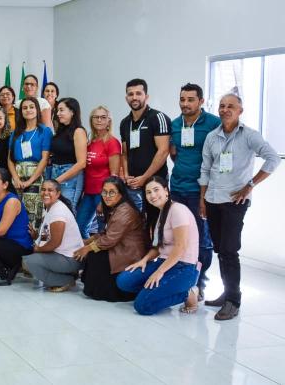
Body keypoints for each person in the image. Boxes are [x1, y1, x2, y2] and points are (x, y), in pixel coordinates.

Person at [199, 93, 280, 320]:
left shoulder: (249, 135)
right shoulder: (212, 137)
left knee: (229, 250)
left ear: (240, 111)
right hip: (213, 199)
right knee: (220, 250)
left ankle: (233, 301)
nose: (225, 110)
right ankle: (227, 293)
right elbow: (205, 169)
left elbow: (273, 158)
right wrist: (203, 200)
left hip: (235, 201)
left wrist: (250, 185)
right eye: (222, 106)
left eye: (230, 106)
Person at [117, 177, 201, 315]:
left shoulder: (178, 210)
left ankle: (188, 293)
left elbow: (180, 247)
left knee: (142, 306)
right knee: (124, 281)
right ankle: (154, 292)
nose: (152, 195)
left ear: (166, 191)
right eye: (148, 192)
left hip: (184, 267)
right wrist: (144, 260)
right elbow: (157, 247)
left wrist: (159, 272)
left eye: (156, 190)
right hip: (163, 262)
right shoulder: (162, 213)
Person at [169, 83, 221, 301]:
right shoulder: (175, 124)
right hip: (177, 188)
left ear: (201, 101)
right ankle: (180, 279)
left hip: (200, 191)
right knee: (177, 236)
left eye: (191, 99)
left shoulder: (213, 123)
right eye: (182, 99)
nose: (185, 104)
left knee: (201, 239)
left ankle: (199, 284)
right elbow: (174, 153)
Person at [73, 177, 148, 302]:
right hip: (120, 245)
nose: (107, 196)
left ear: (121, 193)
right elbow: (106, 232)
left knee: (94, 255)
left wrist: (87, 248)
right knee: (93, 253)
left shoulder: (125, 210)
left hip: (128, 252)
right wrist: (87, 241)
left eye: (112, 192)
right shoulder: (116, 207)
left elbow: (109, 239)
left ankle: (104, 292)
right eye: (104, 192)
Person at [119, 78, 172, 210]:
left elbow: (163, 151)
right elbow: (124, 153)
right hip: (133, 184)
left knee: (156, 218)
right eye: (130, 94)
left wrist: (145, 177)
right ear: (126, 98)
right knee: (134, 219)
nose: (134, 97)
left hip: (155, 182)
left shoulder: (158, 117)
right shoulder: (125, 123)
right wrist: (126, 175)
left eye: (138, 93)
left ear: (146, 96)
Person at [24, 180, 83, 292]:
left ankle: (66, 280)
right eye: (43, 189)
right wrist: (36, 236)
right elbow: (47, 235)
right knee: (34, 257)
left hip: (71, 259)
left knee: (29, 262)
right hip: (64, 256)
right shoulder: (51, 207)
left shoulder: (58, 212)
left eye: (50, 190)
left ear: (58, 193)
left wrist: (38, 249)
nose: (46, 193)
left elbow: (55, 242)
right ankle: (67, 275)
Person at [7, 97, 52, 231]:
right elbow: (10, 159)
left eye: (31, 107)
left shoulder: (45, 131)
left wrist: (30, 181)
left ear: (37, 110)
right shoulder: (16, 133)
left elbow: (44, 159)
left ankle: (32, 241)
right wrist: (15, 178)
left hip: (36, 178)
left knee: (32, 214)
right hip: (17, 177)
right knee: (15, 212)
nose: (28, 110)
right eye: (25, 108)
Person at [76, 106, 121, 238]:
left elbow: (114, 175)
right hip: (88, 193)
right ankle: (87, 251)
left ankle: (102, 252)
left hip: (103, 194)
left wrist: (105, 199)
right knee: (79, 227)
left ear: (109, 121)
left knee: (104, 230)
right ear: (91, 120)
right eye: (96, 117)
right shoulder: (90, 142)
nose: (99, 120)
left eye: (103, 117)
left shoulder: (112, 142)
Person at [49, 98, 87, 209]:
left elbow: (81, 163)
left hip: (70, 176)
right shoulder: (60, 131)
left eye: (61, 110)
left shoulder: (79, 131)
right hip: (55, 172)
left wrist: (58, 180)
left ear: (72, 112)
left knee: (67, 209)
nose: (58, 113)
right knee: (54, 209)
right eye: (57, 110)